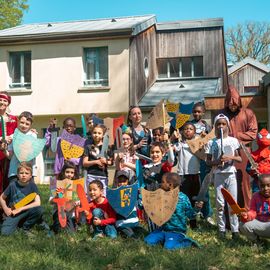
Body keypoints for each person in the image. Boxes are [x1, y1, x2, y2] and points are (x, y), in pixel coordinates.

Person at [220, 86, 258, 209]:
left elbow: (253, 132)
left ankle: (247, 211)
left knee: (244, 183)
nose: (233, 106)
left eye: (235, 104)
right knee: (227, 183)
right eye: (230, 104)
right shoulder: (222, 115)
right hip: (226, 151)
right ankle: (229, 216)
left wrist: (236, 136)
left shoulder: (248, 113)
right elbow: (216, 132)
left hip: (243, 151)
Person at [205, 114, 242, 239]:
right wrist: (217, 161)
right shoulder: (211, 142)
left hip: (231, 174)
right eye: (218, 124)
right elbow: (208, 161)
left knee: (232, 202)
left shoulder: (233, 141)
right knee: (220, 203)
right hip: (218, 175)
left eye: (223, 124)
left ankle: (235, 230)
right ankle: (221, 229)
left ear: (227, 125)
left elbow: (240, 158)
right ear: (215, 126)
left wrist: (229, 157)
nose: (221, 126)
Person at [144, 172, 200, 250]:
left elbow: (190, 215)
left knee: (168, 248)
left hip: (176, 231)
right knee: (147, 242)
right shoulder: (162, 196)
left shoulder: (182, 198)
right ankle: (166, 240)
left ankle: (187, 243)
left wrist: (197, 209)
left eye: (163, 182)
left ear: (170, 185)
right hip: (163, 229)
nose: (161, 184)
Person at [0, 162, 43, 236]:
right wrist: (6, 209)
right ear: (17, 175)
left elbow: (37, 203)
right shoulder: (12, 185)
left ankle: (25, 228)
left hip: (26, 212)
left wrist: (21, 209)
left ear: (30, 176)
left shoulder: (33, 186)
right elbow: (1, 197)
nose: (24, 175)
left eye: (26, 173)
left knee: (39, 209)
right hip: (13, 213)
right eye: (21, 173)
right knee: (5, 233)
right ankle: (17, 225)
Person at [191, 102, 214, 225]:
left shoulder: (207, 126)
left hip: (203, 159)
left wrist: (206, 138)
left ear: (203, 113)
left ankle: (208, 214)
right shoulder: (188, 125)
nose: (196, 113)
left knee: (204, 187)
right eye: (194, 111)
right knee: (193, 187)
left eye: (199, 111)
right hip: (191, 159)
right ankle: (193, 213)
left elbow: (211, 141)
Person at [174, 122, 201, 229]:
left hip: (195, 174)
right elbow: (173, 149)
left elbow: (205, 151)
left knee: (194, 199)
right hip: (183, 176)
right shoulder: (180, 144)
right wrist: (172, 138)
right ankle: (183, 220)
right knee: (185, 199)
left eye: (190, 129)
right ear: (182, 132)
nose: (188, 130)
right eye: (185, 129)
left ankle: (194, 222)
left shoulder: (198, 143)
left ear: (194, 132)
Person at [0, 111, 38, 183]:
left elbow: (33, 153)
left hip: (28, 172)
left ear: (31, 125)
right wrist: (4, 150)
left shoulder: (33, 135)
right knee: (14, 193)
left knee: (29, 193)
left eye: (27, 124)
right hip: (14, 172)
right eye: (22, 122)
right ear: (18, 122)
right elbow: (10, 157)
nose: (24, 125)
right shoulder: (13, 136)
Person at [83, 124, 113, 197]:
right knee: (91, 196)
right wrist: (96, 162)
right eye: (94, 132)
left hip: (103, 176)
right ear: (92, 134)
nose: (96, 135)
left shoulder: (107, 148)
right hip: (91, 175)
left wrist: (105, 161)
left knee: (103, 196)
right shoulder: (88, 147)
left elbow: (111, 162)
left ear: (103, 135)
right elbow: (84, 163)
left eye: (99, 133)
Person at [239, 174, 270, 244]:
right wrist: (247, 216)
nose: (265, 188)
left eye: (268, 185)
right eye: (262, 186)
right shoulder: (255, 196)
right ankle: (256, 242)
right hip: (260, 224)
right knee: (243, 225)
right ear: (258, 186)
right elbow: (253, 211)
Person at [50, 161, 79, 234]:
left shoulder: (76, 184)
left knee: (70, 231)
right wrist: (57, 197)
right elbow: (51, 201)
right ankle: (58, 228)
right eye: (67, 172)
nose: (69, 175)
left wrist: (77, 202)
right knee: (60, 228)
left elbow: (79, 200)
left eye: (72, 173)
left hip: (71, 214)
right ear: (63, 172)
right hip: (59, 212)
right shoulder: (57, 183)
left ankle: (69, 228)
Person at [114, 170, 141, 238]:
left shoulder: (133, 192)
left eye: (124, 181)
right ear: (117, 182)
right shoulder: (114, 194)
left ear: (127, 181)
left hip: (134, 223)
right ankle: (133, 238)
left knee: (143, 232)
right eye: (120, 181)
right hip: (123, 224)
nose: (122, 183)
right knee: (131, 235)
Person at [0, 91, 17, 194]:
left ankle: (6, 205)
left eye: (5, 100)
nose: (2, 102)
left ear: (8, 103)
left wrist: (30, 130)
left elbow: (19, 131)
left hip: (9, 152)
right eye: (0, 99)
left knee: (8, 177)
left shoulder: (14, 119)